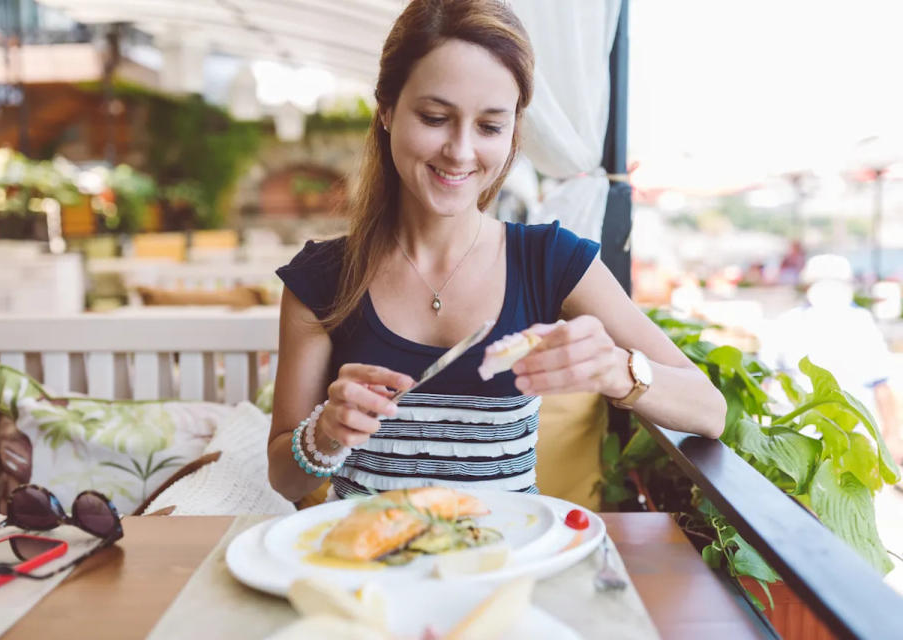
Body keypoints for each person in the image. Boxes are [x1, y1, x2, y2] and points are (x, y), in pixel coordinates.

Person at [268, 0, 726, 503]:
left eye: (490, 127)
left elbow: (709, 410)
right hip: (366, 577)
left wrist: (617, 370)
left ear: (513, 131)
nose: (461, 151)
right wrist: (325, 432)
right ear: (387, 109)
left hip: (508, 571)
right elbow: (285, 480)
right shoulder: (322, 278)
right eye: (435, 117)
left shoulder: (550, 260)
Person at [759, 253, 903, 462]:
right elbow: (881, 385)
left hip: (810, 440)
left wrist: (892, 435)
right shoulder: (859, 322)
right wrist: (891, 435)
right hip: (818, 440)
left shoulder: (860, 322)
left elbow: (763, 379)